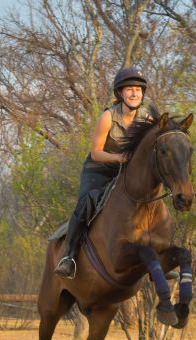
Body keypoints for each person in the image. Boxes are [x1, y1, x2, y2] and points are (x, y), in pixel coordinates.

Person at [54, 67, 160, 278]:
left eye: (138, 90)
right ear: (120, 93)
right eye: (129, 89)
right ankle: (69, 256)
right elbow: (96, 153)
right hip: (99, 169)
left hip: (126, 172)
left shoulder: (147, 120)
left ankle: (159, 257)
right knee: (86, 202)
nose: (134, 93)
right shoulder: (108, 117)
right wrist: (121, 159)